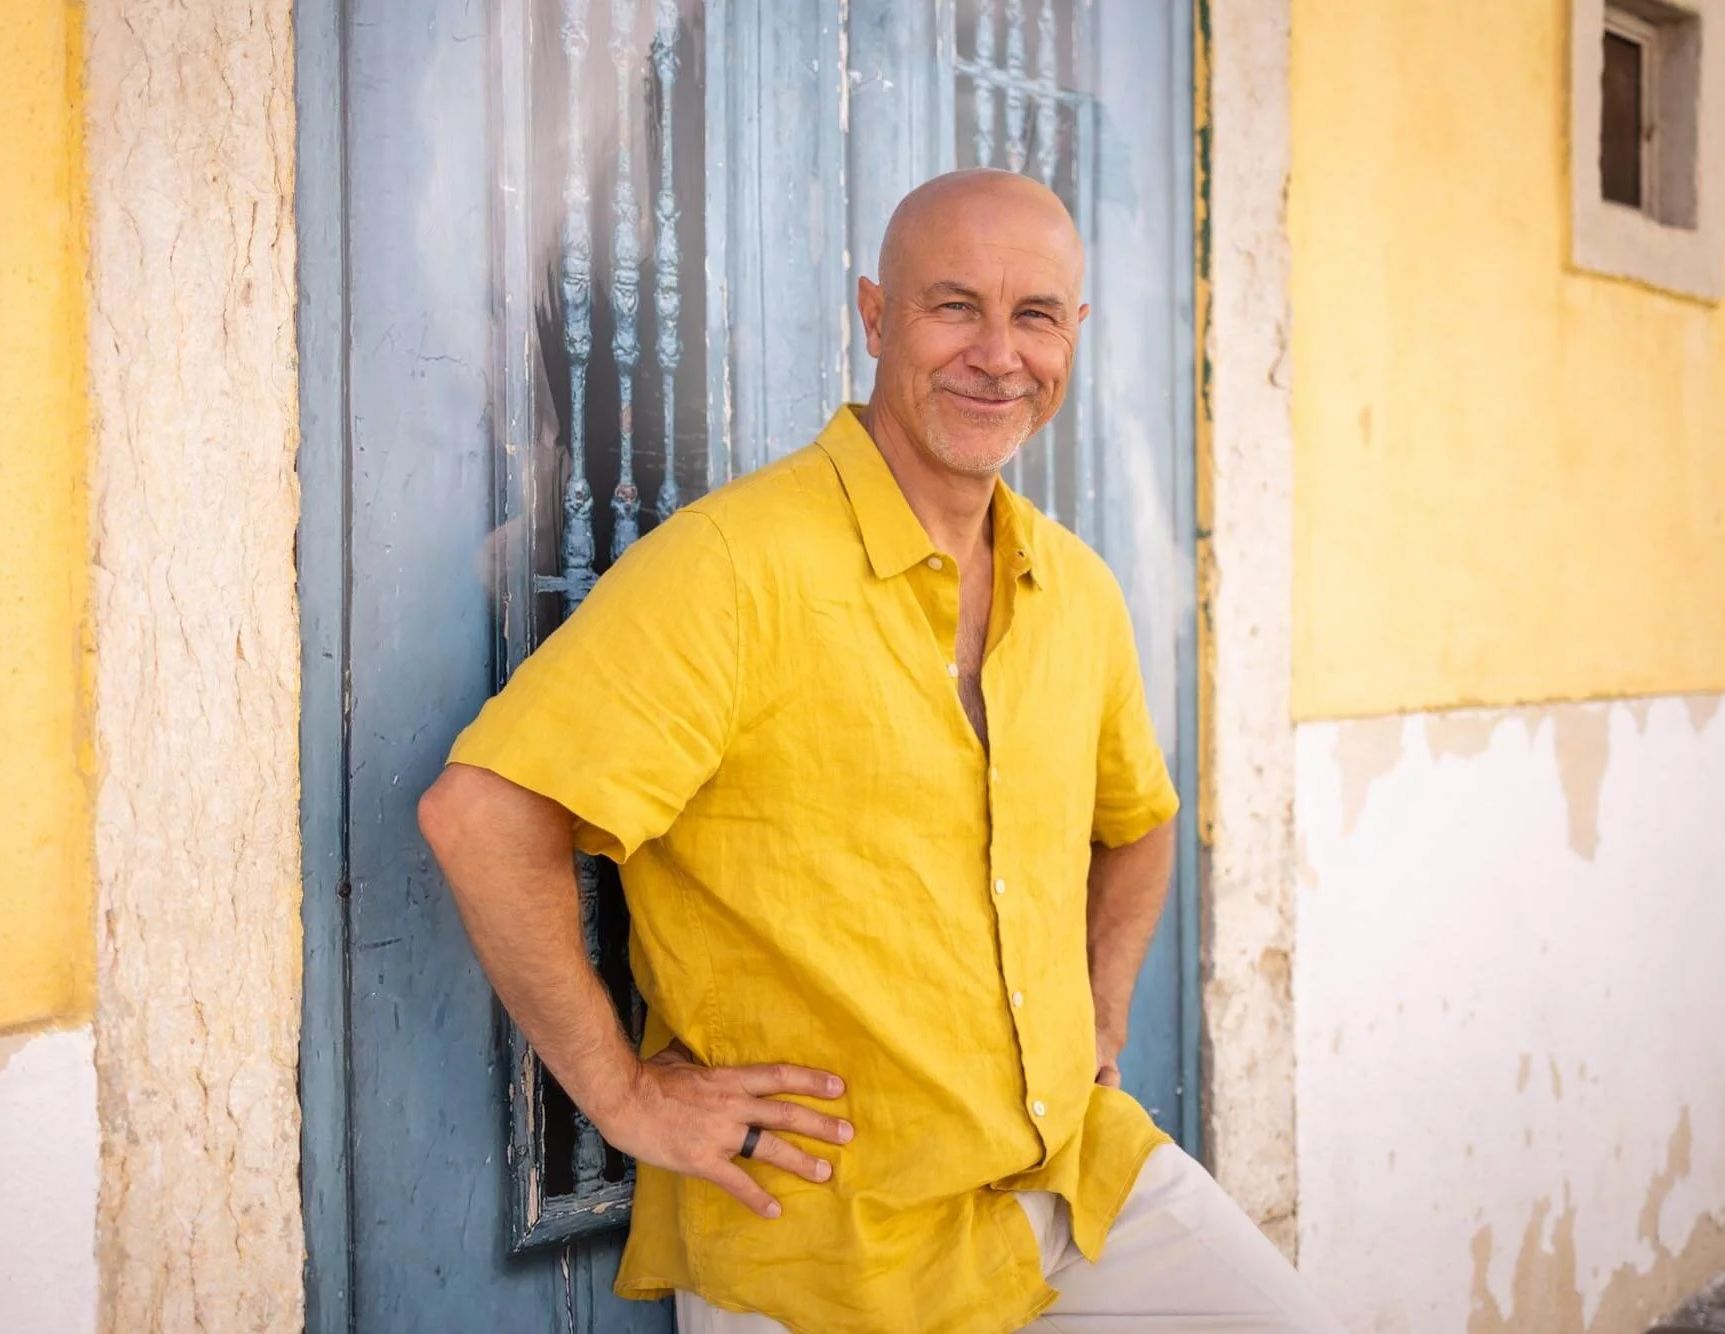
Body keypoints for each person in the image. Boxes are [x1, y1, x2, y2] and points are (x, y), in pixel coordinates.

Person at [418, 169, 1342, 1333]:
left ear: (1072, 333)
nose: (996, 355)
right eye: (953, 306)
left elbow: (1139, 822)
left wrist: (1100, 1017)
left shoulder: (1074, 590)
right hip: (827, 1248)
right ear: (873, 315)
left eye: (1033, 315)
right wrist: (623, 1095)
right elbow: (482, 814)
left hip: (1072, 1182)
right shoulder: (734, 567)